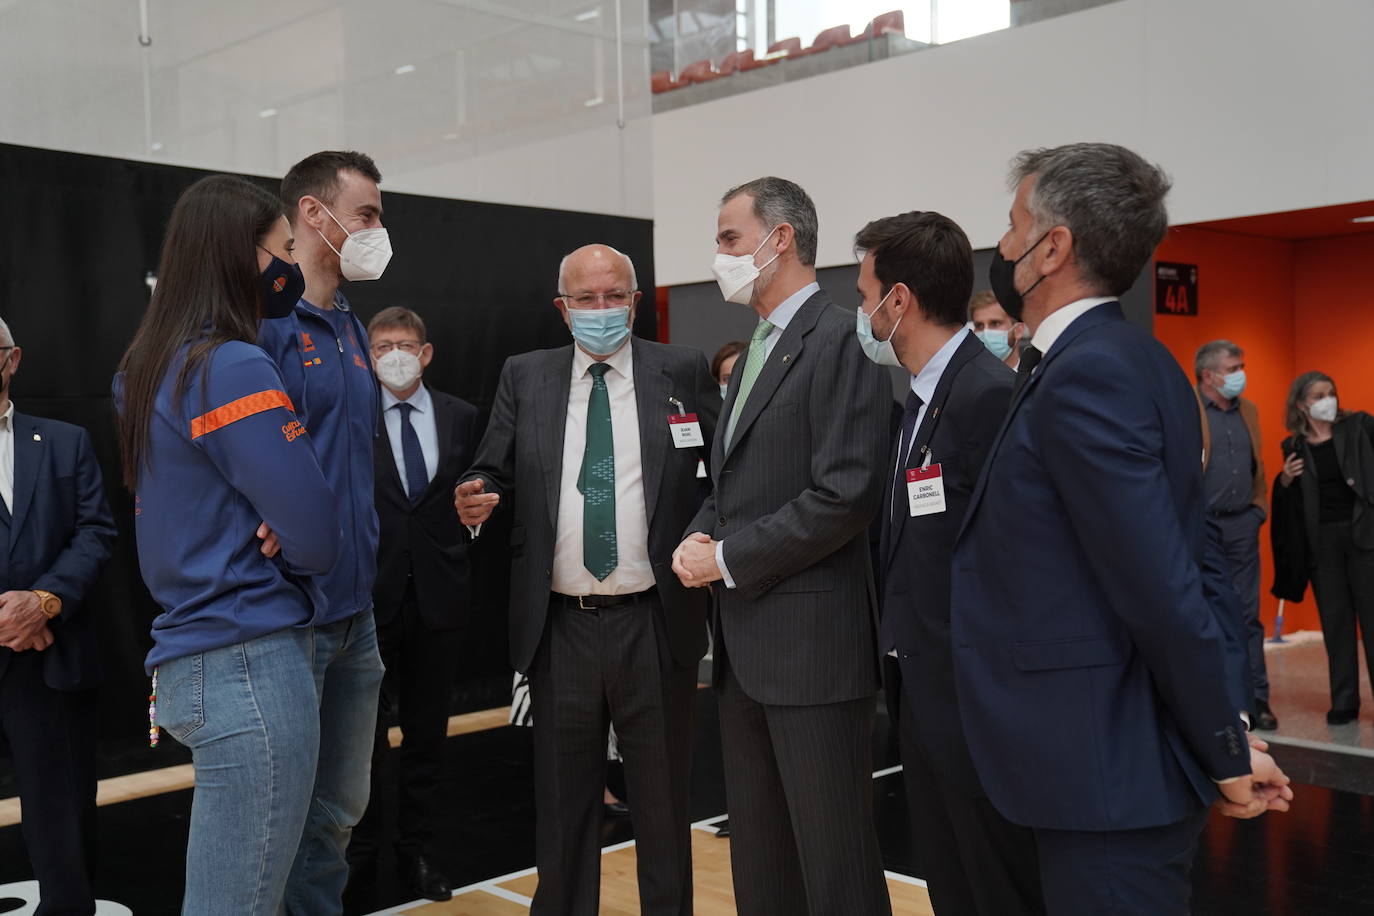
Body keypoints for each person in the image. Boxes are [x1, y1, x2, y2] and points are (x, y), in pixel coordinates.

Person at [949, 143, 1292, 915]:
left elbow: (1159, 584)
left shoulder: (1089, 372)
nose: (1002, 247)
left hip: (1101, 772)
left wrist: (1225, 747)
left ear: (1053, 247)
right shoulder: (1132, 358)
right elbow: (1189, 551)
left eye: (1012, 228)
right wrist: (1226, 723)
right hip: (1100, 763)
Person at [455, 244, 718, 916]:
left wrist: (706, 533)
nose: (601, 311)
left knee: (662, 808)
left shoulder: (681, 369)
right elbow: (492, 469)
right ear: (562, 309)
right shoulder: (527, 376)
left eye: (614, 297)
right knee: (565, 810)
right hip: (561, 626)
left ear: (634, 301)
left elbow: (725, 473)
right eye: (585, 299)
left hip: (656, 622)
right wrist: (478, 491)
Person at [114, 175, 341, 915]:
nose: (292, 267)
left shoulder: (147, 366)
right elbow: (316, 533)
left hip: (196, 658)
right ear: (244, 258)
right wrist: (292, 521)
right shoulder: (231, 365)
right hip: (248, 658)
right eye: (282, 250)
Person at [672, 177, 892, 916]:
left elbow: (847, 493)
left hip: (815, 655)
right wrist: (702, 528)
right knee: (761, 866)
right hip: (745, 652)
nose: (720, 255)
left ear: (782, 239)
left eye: (729, 239)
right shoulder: (760, 347)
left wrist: (727, 559)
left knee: (836, 870)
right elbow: (738, 480)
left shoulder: (842, 340)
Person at [855, 212, 1042, 915]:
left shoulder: (985, 397)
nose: (862, 311)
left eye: (865, 292)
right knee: (952, 878)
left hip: (977, 703)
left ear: (897, 300)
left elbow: (1014, 561)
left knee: (996, 884)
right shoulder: (921, 400)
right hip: (925, 691)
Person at [257, 150, 388, 914]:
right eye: (366, 214)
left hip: (356, 615)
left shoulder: (352, 326)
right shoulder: (267, 321)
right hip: (287, 616)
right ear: (315, 214)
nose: (377, 230)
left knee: (337, 817)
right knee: (274, 826)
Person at [347, 307, 479, 903]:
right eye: (381, 347)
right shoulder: (347, 415)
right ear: (366, 356)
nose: (393, 355)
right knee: (361, 743)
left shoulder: (461, 417)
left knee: (427, 737)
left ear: (425, 354)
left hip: (438, 598)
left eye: (404, 345)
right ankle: (361, 857)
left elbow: (478, 496)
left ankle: (418, 853)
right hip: (366, 601)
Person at [0, 316, 115, 915]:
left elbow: (96, 531)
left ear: (11, 359)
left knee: (61, 812)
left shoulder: (65, 441)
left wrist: (42, 602)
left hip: (50, 655)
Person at [1271, 372, 1374, 725]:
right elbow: (1289, 498)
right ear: (1302, 404)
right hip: (1322, 544)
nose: (1329, 399)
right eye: (1319, 395)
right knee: (1336, 624)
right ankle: (1344, 701)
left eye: (1331, 392)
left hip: (1364, 536)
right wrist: (1284, 479)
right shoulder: (1294, 447)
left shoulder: (1359, 427)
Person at [1195, 340, 1275, 729]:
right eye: (1233, 367)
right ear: (1210, 375)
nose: (1240, 373)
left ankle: (1256, 698)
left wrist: (1259, 508)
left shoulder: (1250, 410)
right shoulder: (1188, 408)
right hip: (1202, 528)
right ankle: (1217, 698)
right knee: (1206, 614)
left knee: (1248, 615)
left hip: (1243, 523)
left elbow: (1257, 463)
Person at [968, 289, 1026, 370]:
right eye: (979, 325)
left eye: (995, 323)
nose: (985, 332)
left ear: (1018, 330)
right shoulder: (963, 380)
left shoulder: (1036, 379)